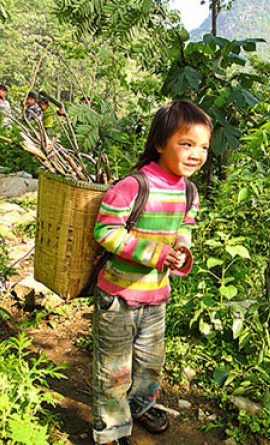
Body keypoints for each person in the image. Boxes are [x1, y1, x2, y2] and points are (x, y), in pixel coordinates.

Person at [91, 101, 212, 445]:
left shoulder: (189, 191)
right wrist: (157, 254)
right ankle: (111, 430)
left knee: (149, 364)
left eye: (203, 147)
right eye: (186, 144)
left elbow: (185, 227)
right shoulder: (133, 186)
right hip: (117, 296)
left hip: (156, 297)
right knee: (113, 370)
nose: (196, 154)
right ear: (160, 143)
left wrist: (181, 249)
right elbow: (106, 231)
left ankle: (140, 406)